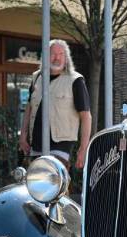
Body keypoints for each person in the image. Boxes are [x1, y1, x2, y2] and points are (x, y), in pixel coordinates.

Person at [19, 40, 92, 169]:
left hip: (60, 147)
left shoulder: (75, 80)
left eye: (61, 54)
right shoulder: (37, 78)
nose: (57, 58)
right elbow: (29, 108)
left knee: (54, 179)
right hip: (36, 146)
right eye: (53, 54)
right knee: (36, 181)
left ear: (66, 58)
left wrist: (83, 148)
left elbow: (86, 116)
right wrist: (23, 136)